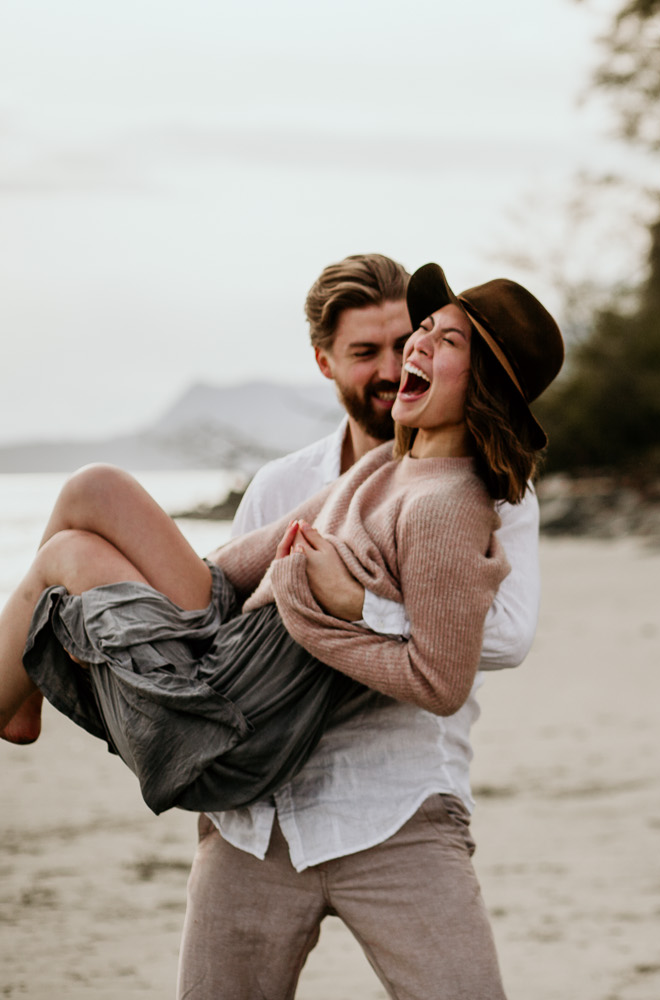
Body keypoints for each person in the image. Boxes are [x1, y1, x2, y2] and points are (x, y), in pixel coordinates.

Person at [0, 261, 561, 999]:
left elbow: (493, 644)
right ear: (325, 363)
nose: (398, 364)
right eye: (374, 351)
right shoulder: (332, 477)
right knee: (84, 509)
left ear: (480, 381)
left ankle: (21, 691)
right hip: (257, 813)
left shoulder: (480, 498)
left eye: (421, 340)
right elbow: (237, 579)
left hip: (387, 807)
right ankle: (19, 697)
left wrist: (345, 605)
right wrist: (194, 590)